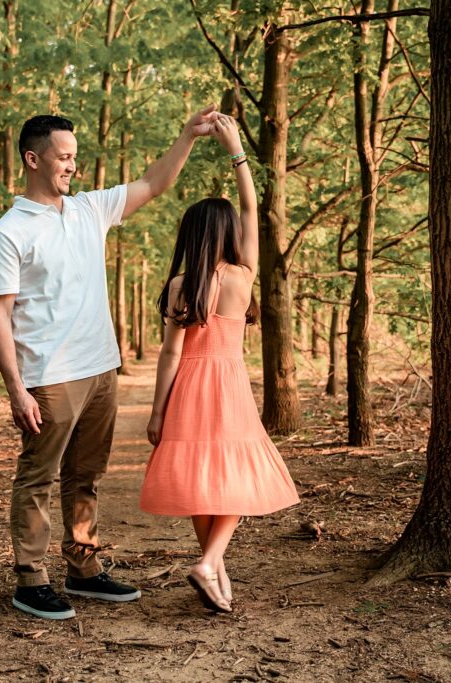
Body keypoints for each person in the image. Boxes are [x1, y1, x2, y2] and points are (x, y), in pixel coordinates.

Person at [0, 106, 219, 621]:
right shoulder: (6, 234)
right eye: (63, 157)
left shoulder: (89, 209)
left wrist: (187, 135)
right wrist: (16, 390)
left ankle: (82, 567)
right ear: (32, 159)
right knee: (38, 477)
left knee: (86, 474)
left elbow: (154, 183)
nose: (72, 165)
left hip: (99, 369)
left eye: (74, 156)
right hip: (47, 376)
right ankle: (31, 579)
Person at [139, 114, 300, 612]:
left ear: (190, 236)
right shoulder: (242, 276)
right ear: (228, 233)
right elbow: (252, 208)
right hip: (226, 384)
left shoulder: (178, 286)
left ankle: (213, 565)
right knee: (235, 475)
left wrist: (157, 411)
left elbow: (169, 354)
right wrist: (237, 155)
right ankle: (211, 565)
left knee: (198, 475)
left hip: (187, 384)